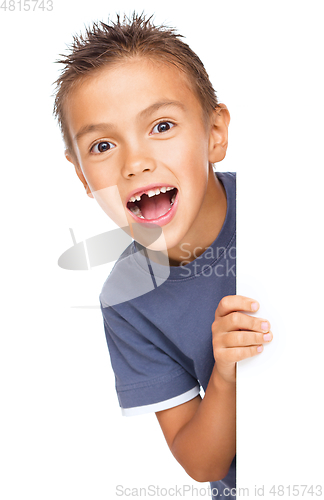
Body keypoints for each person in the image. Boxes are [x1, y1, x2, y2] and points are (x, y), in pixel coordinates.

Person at [53, 13, 273, 499]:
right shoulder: (125, 299)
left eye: (162, 125)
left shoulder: (290, 212)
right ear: (81, 176)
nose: (136, 162)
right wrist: (226, 374)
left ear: (214, 132)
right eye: (104, 145)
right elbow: (203, 462)